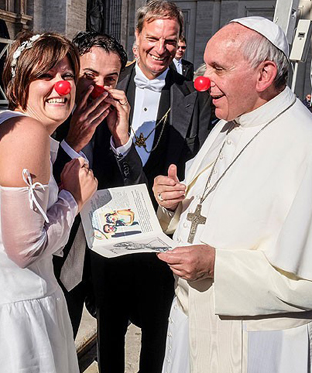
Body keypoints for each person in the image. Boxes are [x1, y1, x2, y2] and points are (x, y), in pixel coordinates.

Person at [153, 16, 312, 373]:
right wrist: (171, 206)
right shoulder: (228, 124)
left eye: (218, 69)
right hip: (188, 323)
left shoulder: (305, 145)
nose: (202, 80)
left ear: (264, 75)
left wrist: (216, 265)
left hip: (253, 345)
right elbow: (196, 213)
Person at [78, 1, 211, 372]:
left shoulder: (193, 95)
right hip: (109, 230)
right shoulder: (108, 82)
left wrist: (179, 188)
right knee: (110, 333)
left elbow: (200, 159)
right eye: (152, 38)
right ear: (136, 37)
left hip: (163, 234)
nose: (161, 48)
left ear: (179, 41)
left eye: (171, 40)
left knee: (157, 334)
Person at [0, 31, 97, 372]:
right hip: (13, 321)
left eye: (67, 76)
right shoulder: (26, 131)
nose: (61, 85)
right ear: (19, 82)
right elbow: (25, 248)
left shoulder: (6, 127)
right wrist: (73, 197)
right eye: (45, 76)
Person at [52, 30, 129, 335]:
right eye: (90, 75)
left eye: (110, 80)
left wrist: (122, 142)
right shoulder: (50, 114)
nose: (100, 88)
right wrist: (71, 141)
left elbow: (131, 190)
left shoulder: (115, 119)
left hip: (101, 258)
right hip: (58, 260)